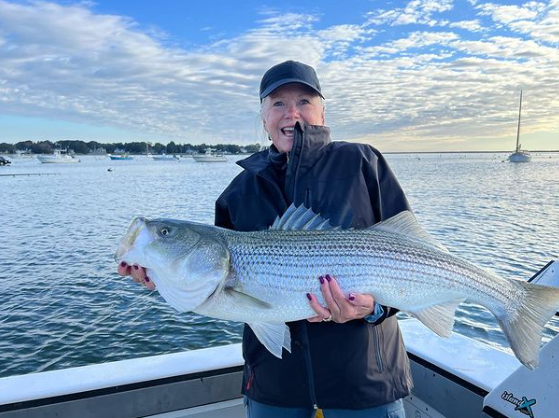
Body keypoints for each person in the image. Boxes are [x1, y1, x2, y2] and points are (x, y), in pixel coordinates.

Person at [118, 60, 412, 418]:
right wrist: (159, 272)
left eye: (304, 101)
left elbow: (412, 259)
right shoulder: (239, 191)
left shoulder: (361, 162)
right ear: (263, 116)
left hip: (365, 381)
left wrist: (373, 309)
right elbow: (206, 279)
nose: (292, 113)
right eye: (278, 103)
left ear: (322, 110)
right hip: (273, 385)